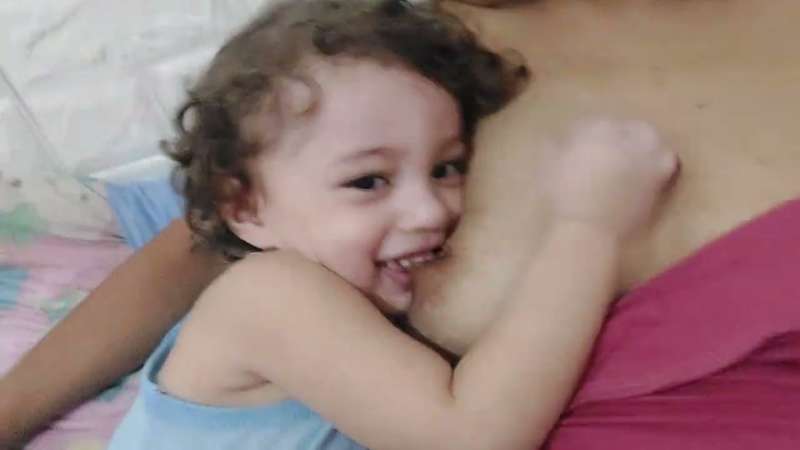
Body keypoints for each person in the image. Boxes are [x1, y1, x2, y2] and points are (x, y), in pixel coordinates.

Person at [5, 0, 799, 448]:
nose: (430, 211)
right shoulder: (271, 294)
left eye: (449, 168)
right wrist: (589, 227)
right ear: (243, 207)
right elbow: (471, 437)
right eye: (369, 181)